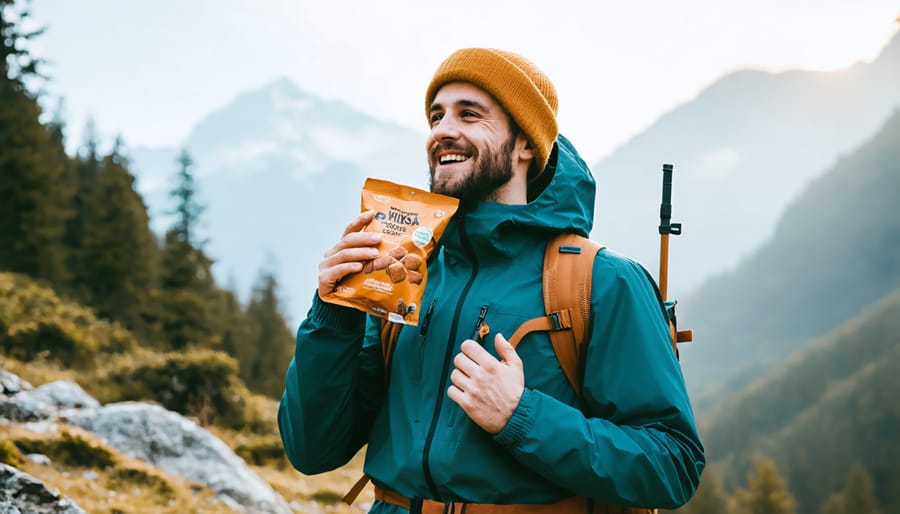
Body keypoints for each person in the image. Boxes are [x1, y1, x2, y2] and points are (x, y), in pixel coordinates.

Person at [278, 48, 705, 514]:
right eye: (436, 116)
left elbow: (673, 463)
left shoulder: (601, 282)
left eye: (470, 114)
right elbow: (311, 450)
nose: (443, 130)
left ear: (525, 144)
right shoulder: (406, 274)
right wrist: (333, 313)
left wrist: (521, 417)